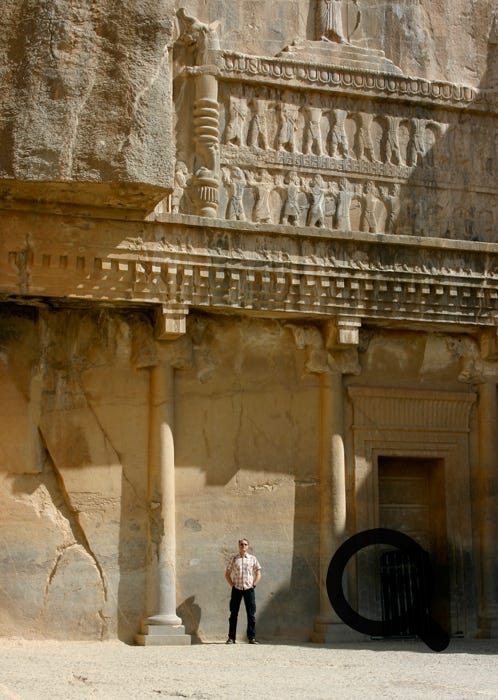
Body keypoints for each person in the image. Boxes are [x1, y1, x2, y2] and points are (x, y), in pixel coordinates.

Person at [225, 538, 262, 644]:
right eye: (241, 544)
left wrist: (254, 585)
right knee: (233, 614)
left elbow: (258, 573)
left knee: (251, 614)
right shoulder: (234, 558)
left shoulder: (253, 559)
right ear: (238, 546)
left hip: (248, 589)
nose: (243, 546)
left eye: (245, 544)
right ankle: (231, 638)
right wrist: (232, 585)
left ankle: (252, 638)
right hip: (236, 589)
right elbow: (227, 574)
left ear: (248, 546)